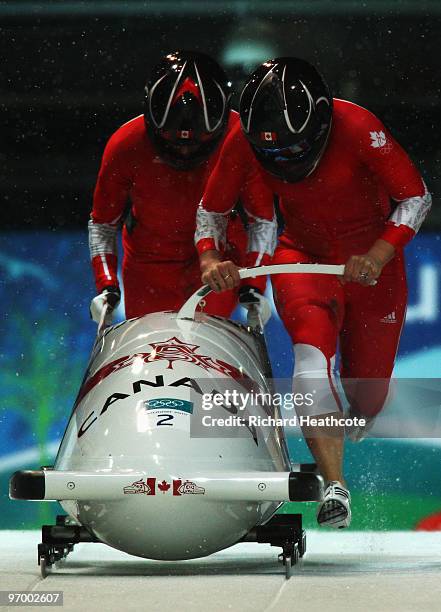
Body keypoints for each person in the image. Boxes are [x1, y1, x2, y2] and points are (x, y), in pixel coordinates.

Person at [195, 57, 431, 528]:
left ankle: (355, 418)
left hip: (372, 268)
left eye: (296, 150)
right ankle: (334, 486)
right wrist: (209, 259)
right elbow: (211, 210)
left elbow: (416, 196)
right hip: (302, 257)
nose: (286, 163)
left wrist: (379, 256)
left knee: (367, 397)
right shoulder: (243, 141)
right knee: (309, 364)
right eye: (275, 157)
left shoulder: (359, 126)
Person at [88, 51, 274, 323]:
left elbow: (263, 220)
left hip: (220, 263)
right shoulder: (125, 145)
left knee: (207, 353)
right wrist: (107, 286)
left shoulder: (241, 139)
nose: (185, 152)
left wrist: (253, 286)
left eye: (196, 143)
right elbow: (102, 223)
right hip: (149, 265)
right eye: (175, 143)